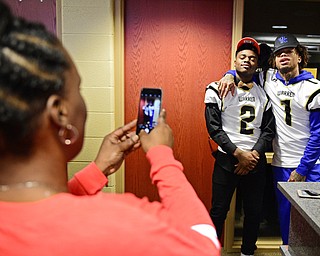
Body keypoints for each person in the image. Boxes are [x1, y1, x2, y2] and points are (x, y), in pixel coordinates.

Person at [0, 2, 221, 255]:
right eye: (78, 89)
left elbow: (42, 211)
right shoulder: (119, 223)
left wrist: (98, 169)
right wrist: (162, 156)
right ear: (60, 113)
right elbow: (203, 243)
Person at [219, 33, 320, 245]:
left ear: (299, 57)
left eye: (289, 52)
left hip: (310, 167)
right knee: (286, 222)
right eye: (279, 54)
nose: (283, 56)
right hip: (280, 164)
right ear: (273, 60)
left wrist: (302, 170)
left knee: (313, 224)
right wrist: (228, 74)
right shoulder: (268, 79)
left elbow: (318, 136)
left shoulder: (314, 88)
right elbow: (243, 71)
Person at [204, 37, 275, 256]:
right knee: (218, 211)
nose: (247, 61)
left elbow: (268, 130)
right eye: (242, 57)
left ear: (256, 64)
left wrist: (252, 155)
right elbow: (214, 129)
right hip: (227, 159)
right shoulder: (216, 89)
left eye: (252, 58)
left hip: (255, 160)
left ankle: (247, 252)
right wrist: (238, 154)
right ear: (234, 61)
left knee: (253, 213)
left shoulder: (264, 93)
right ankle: (210, 251)